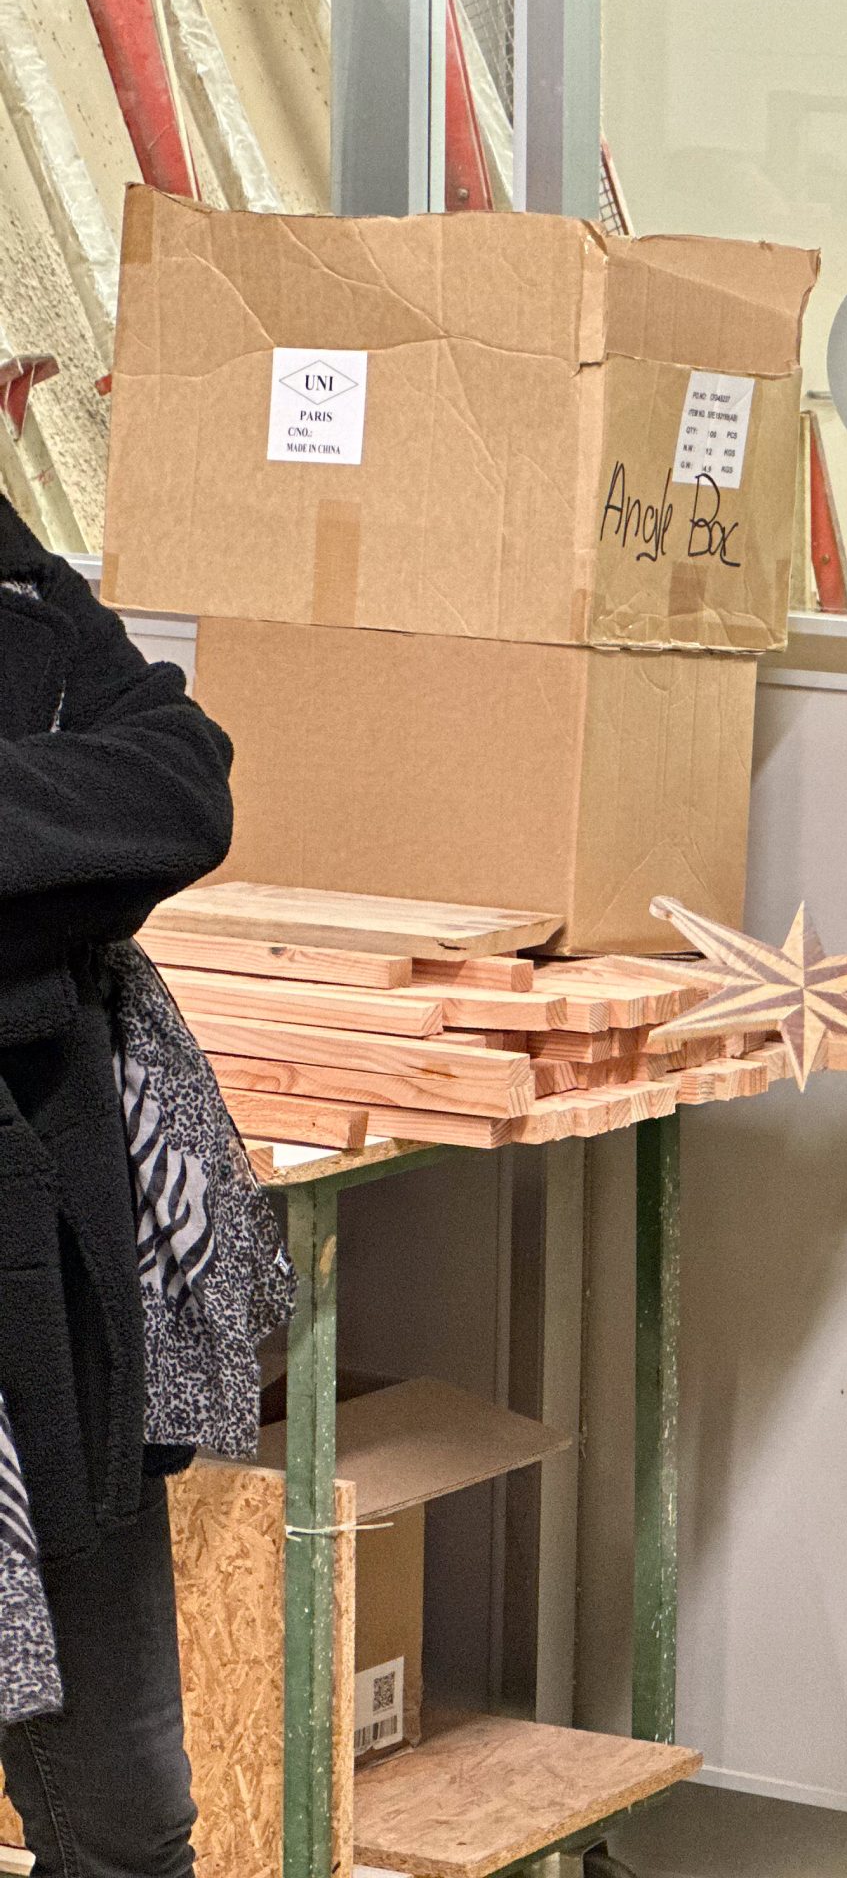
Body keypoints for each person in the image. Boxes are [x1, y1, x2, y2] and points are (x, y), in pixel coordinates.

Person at [0, 491, 235, 1876]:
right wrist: (60, 886)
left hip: (53, 1280)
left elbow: (182, 782)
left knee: (128, 1822)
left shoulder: (18, 575)